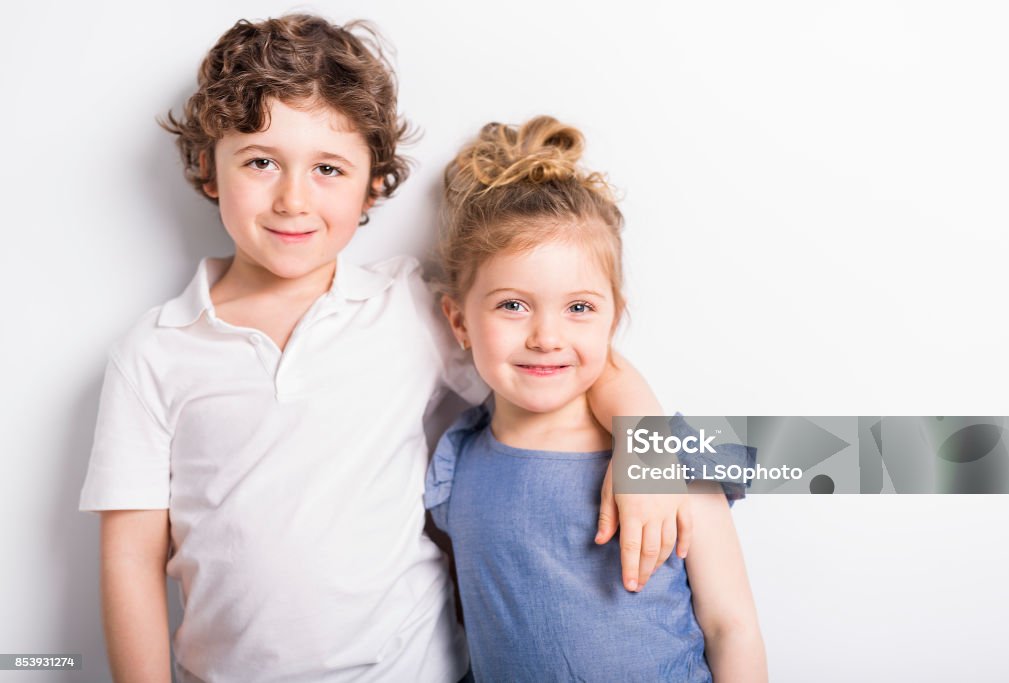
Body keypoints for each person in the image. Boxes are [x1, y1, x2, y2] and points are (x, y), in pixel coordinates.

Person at [78, 14, 694, 683]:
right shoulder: (154, 352)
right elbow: (131, 560)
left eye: (328, 169)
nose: (292, 198)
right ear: (208, 168)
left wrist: (649, 449)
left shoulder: (408, 308)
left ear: (374, 182)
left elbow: (575, 361)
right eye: (261, 162)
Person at [426, 116, 768, 681]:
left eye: (579, 308)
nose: (546, 337)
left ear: (613, 317)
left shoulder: (663, 453)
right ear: (459, 321)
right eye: (513, 305)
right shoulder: (455, 461)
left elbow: (732, 625)